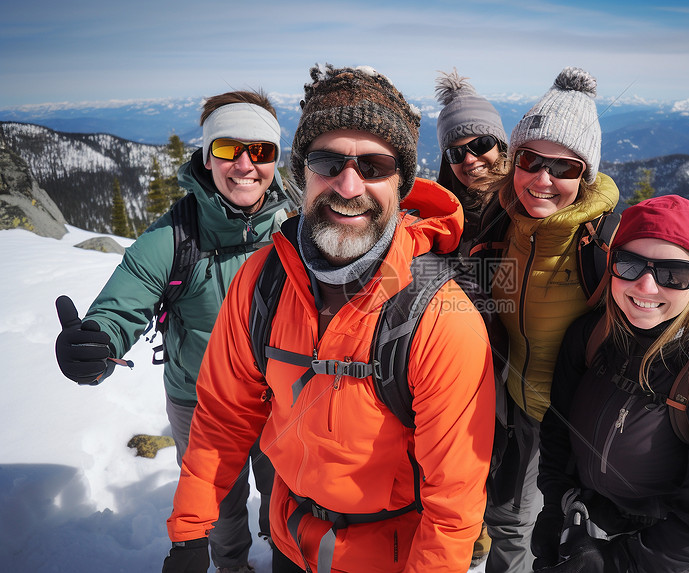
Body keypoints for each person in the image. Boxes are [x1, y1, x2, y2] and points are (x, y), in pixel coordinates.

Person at [161, 64, 495, 573]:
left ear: (402, 183)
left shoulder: (440, 318)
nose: (348, 183)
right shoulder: (261, 281)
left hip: (389, 557)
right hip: (290, 541)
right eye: (327, 160)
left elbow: (454, 501)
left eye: (375, 167)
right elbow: (223, 419)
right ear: (303, 172)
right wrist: (189, 532)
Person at [54, 89, 290, 573]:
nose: (245, 164)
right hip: (200, 399)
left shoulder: (297, 227)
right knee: (220, 501)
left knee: (286, 488)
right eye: (228, 148)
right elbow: (126, 302)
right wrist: (96, 342)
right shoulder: (172, 238)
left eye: (260, 150)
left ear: (275, 158)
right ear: (207, 156)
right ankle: (232, 566)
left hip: (280, 398)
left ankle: (288, 556)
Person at [534, 195, 689, 572]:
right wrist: (554, 505)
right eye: (629, 264)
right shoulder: (592, 336)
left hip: (668, 555)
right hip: (585, 525)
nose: (645, 287)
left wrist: (616, 561)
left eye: (672, 274)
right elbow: (557, 429)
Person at [472, 67, 620, 573]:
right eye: (531, 159)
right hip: (512, 410)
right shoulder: (501, 221)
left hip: (580, 428)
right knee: (510, 524)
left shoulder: (606, 246)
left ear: (587, 176)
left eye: (564, 167)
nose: (542, 178)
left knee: (578, 539)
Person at [434, 68, 508, 257]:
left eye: (481, 144)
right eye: (455, 153)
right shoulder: (437, 222)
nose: (469, 159)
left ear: (501, 146)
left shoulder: (530, 208)